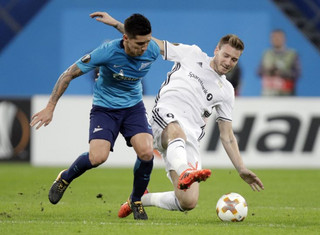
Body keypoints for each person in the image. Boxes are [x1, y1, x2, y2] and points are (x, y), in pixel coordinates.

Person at [91, 12, 264, 218]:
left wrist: (241, 168)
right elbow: (152, 43)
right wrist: (118, 25)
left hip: (189, 138)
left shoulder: (226, 91)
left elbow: (227, 136)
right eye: (225, 55)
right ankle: (185, 171)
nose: (228, 62)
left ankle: (141, 198)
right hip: (165, 115)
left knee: (188, 201)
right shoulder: (191, 54)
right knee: (177, 132)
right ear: (216, 50)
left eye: (234, 59)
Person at [30, 13, 161, 220]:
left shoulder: (152, 49)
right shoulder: (106, 53)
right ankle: (65, 177)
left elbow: (166, 48)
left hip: (133, 107)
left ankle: (136, 199)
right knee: (98, 157)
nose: (144, 48)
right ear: (126, 39)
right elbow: (68, 74)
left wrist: (117, 24)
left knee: (146, 152)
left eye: (147, 42)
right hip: (105, 108)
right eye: (139, 44)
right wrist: (50, 107)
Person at [257, 29, 301, 96]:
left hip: (286, 94)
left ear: (284, 39)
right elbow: (259, 71)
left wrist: (282, 73)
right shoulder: (266, 54)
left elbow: (297, 73)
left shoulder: (292, 54)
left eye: (279, 37)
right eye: (274, 37)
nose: (276, 39)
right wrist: (269, 71)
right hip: (268, 94)